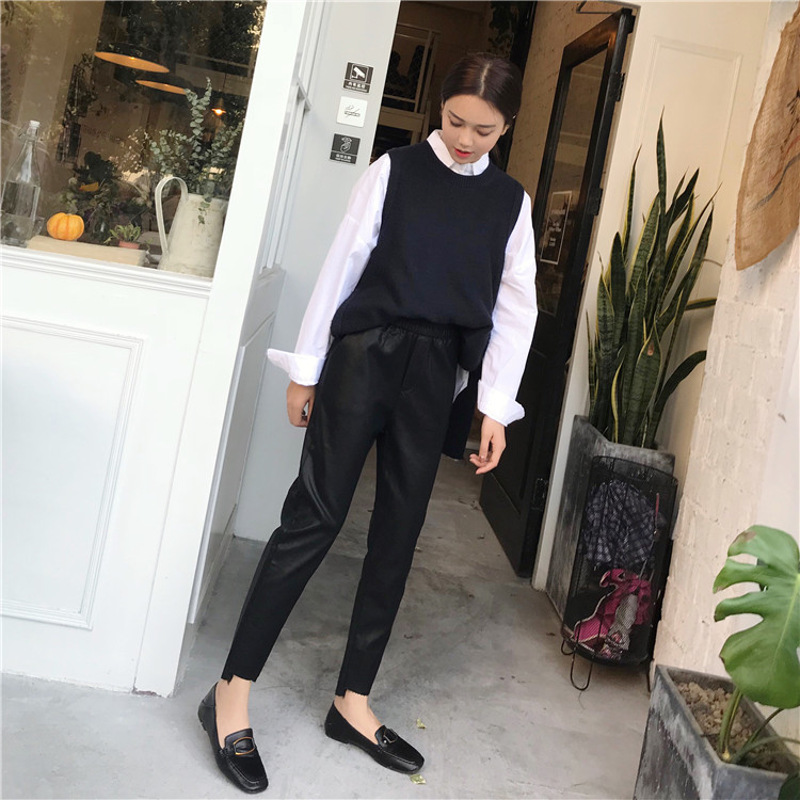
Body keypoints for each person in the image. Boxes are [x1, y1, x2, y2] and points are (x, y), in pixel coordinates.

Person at [197, 53, 538, 794]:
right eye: (454, 120)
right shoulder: (394, 171)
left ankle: (351, 701)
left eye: (484, 130)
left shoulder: (511, 204)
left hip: (437, 372)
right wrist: (307, 369)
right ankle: (230, 691)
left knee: (398, 533)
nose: (465, 139)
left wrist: (495, 406)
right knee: (313, 520)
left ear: (507, 126)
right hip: (364, 357)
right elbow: (341, 268)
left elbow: (516, 308)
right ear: (439, 109)